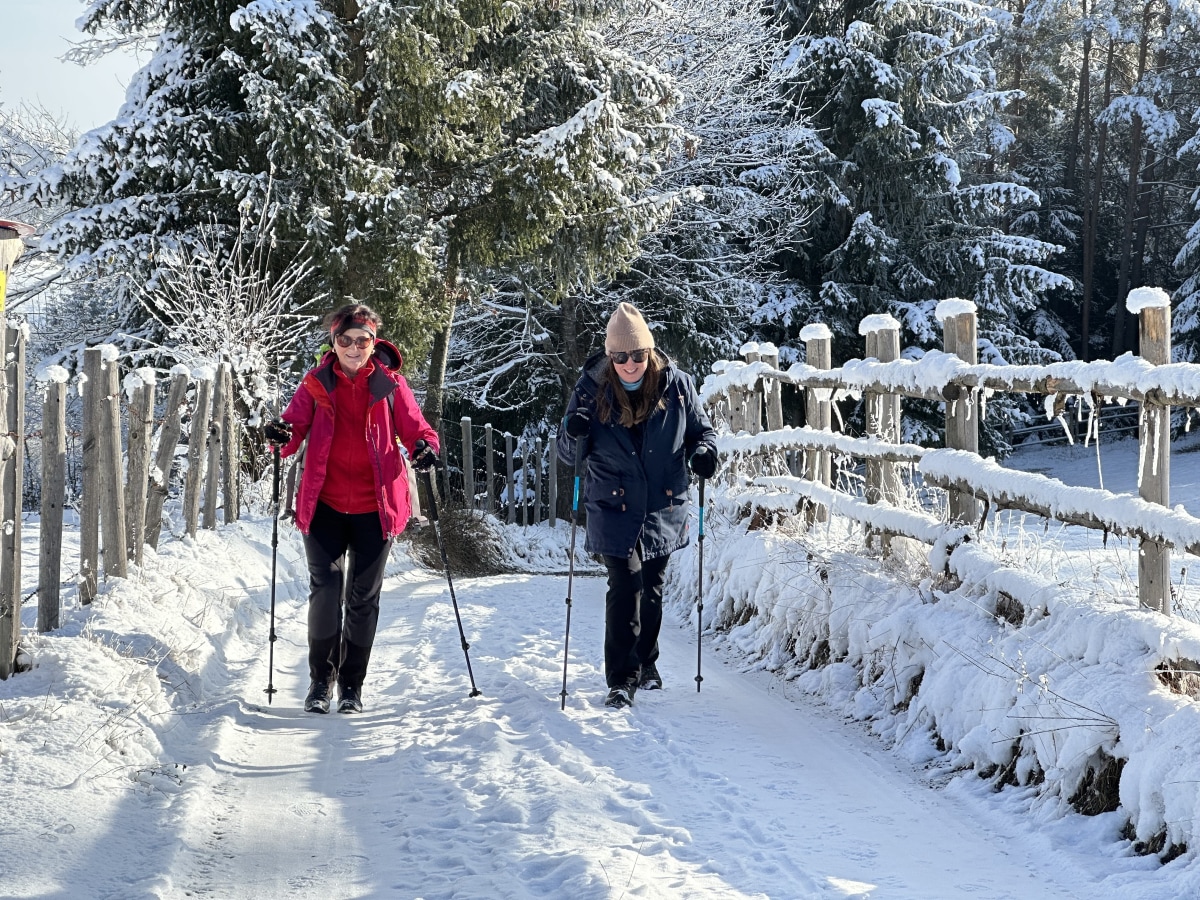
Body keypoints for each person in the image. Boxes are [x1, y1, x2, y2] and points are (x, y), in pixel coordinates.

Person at [264, 303, 440, 714]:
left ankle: (351, 686)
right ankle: (319, 682)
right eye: (346, 340)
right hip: (324, 504)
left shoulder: (391, 386)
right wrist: (279, 434)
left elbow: (419, 429)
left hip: (374, 508)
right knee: (325, 589)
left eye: (362, 341)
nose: (354, 348)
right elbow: (290, 434)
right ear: (334, 342)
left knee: (362, 597)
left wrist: (424, 448)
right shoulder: (315, 383)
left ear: (373, 343)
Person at [556, 302, 718, 709]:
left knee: (652, 587)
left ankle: (647, 662)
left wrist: (704, 453)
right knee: (625, 584)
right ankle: (621, 679)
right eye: (621, 356)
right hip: (613, 502)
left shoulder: (677, 385)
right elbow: (565, 451)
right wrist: (574, 432)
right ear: (610, 357)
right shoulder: (591, 389)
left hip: (662, 502)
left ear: (650, 351)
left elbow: (703, 432)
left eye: (638, 354)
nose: (630, 364)